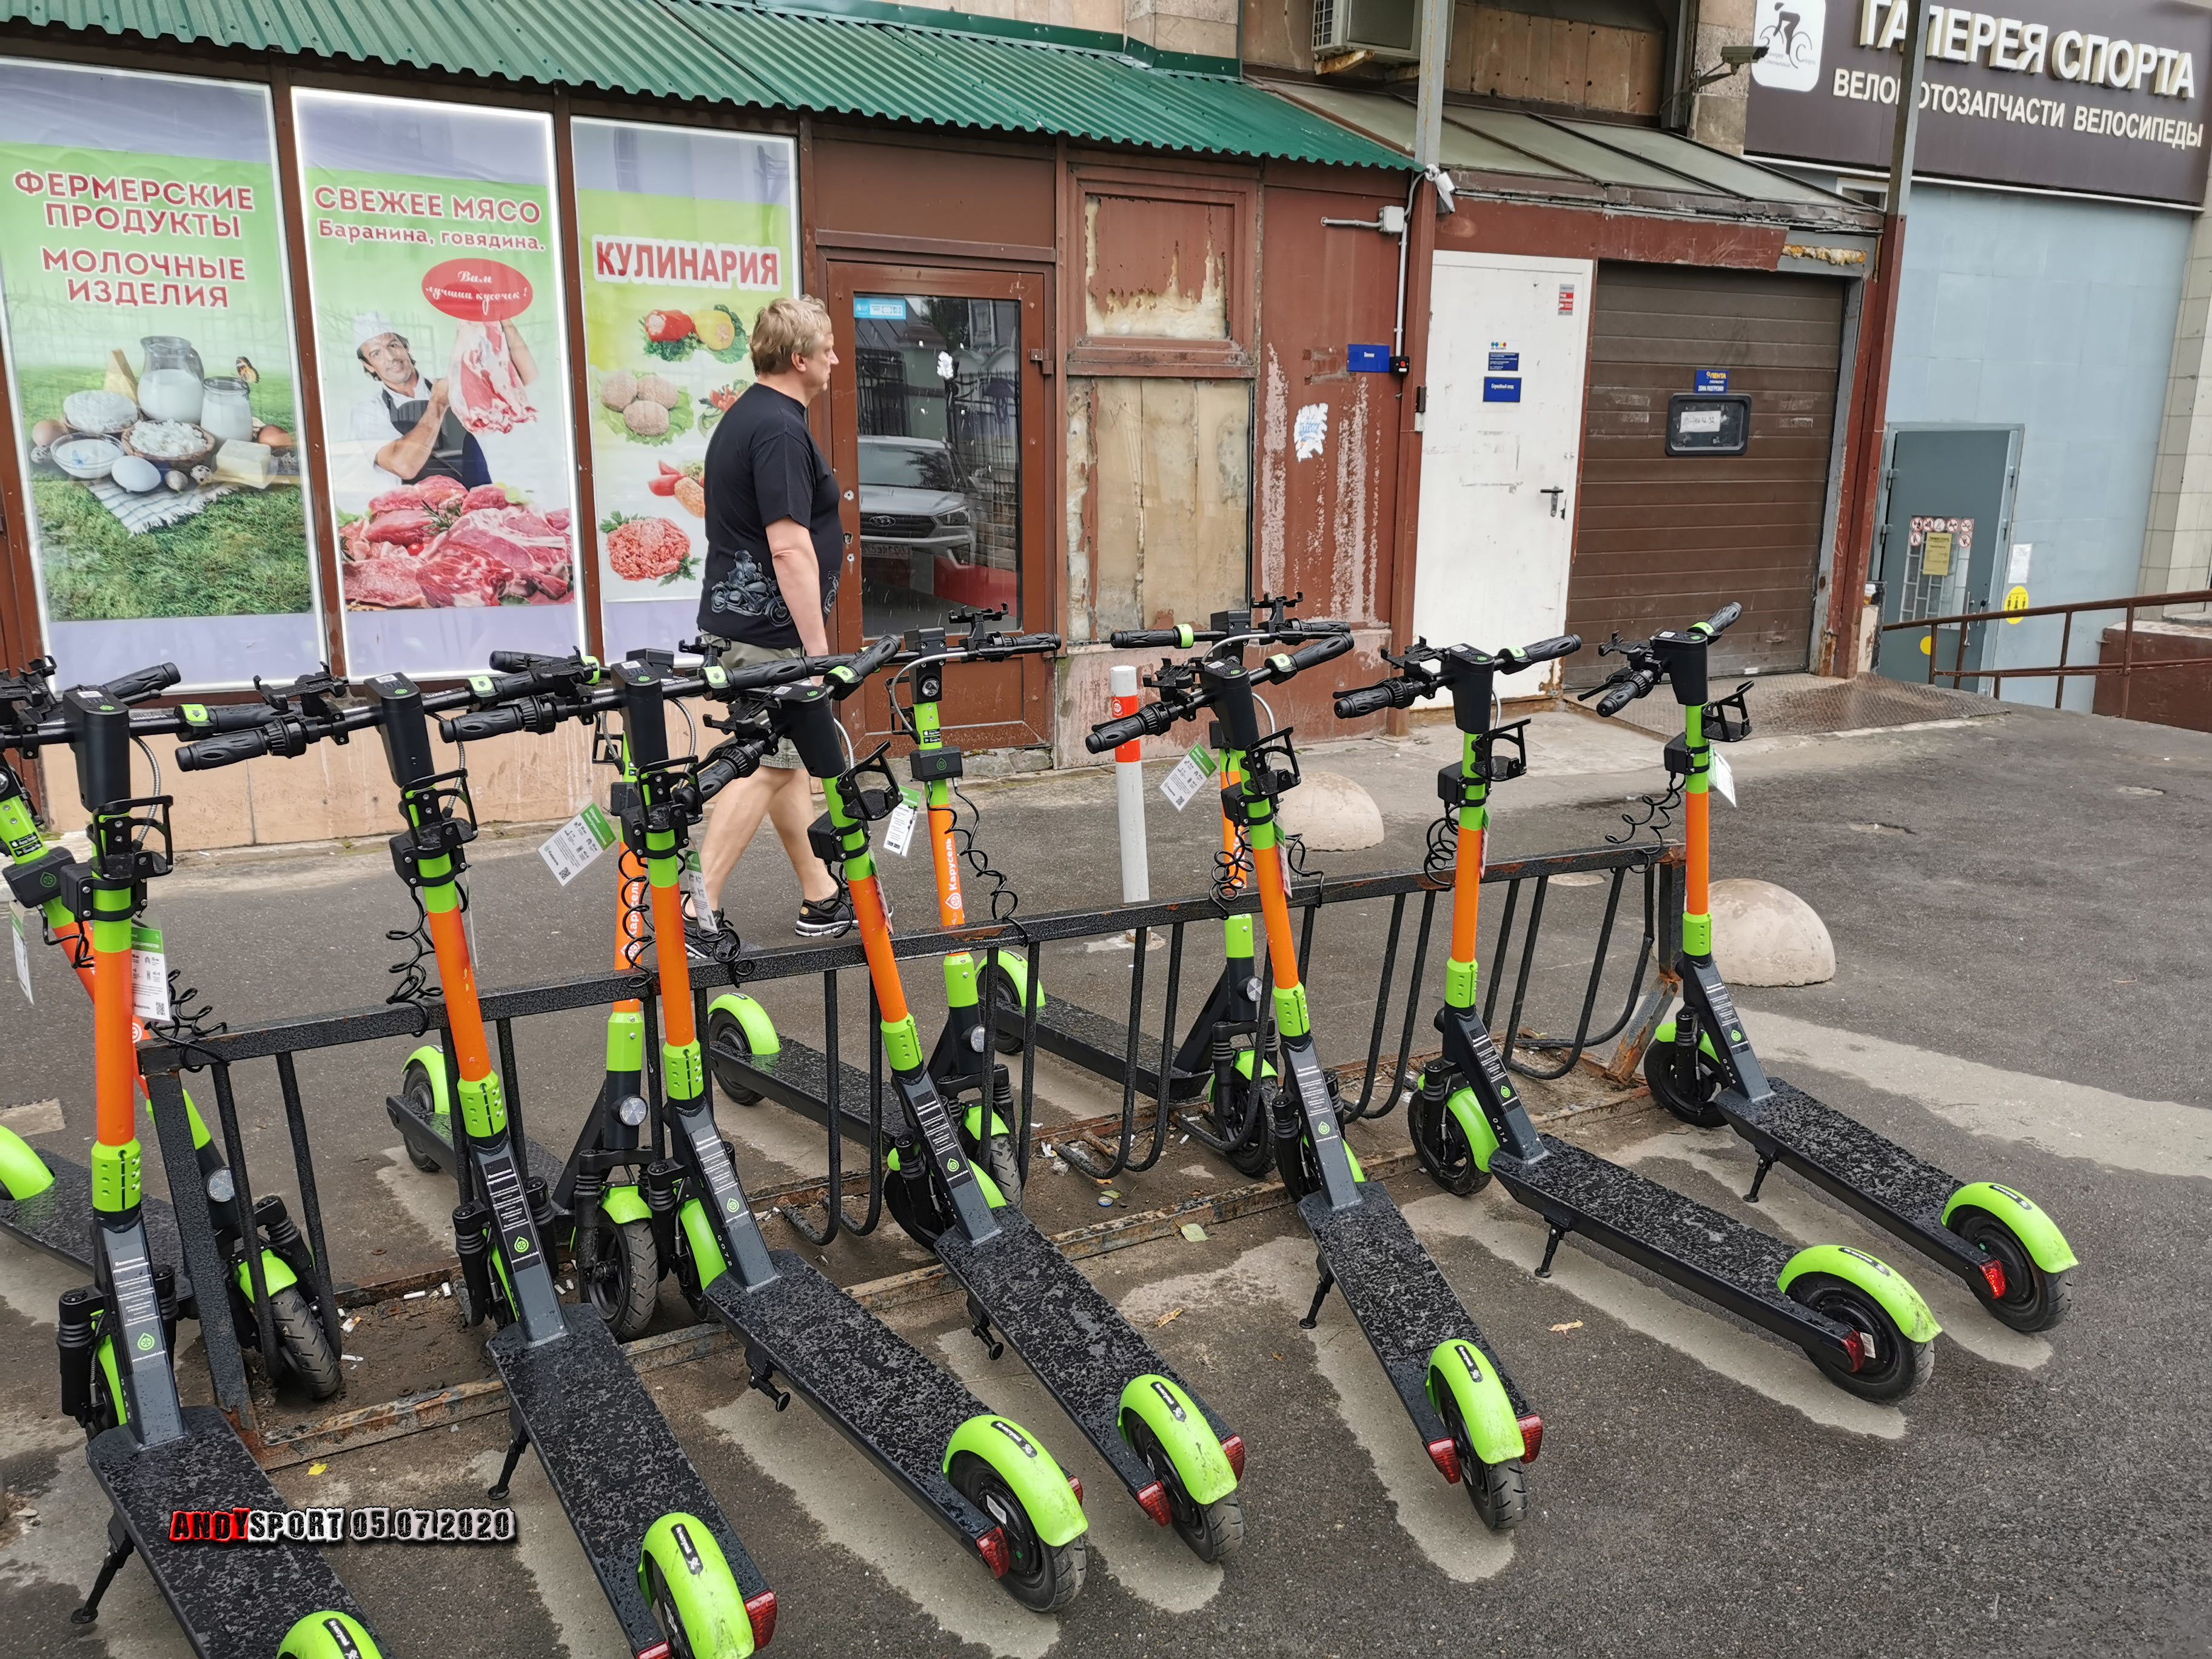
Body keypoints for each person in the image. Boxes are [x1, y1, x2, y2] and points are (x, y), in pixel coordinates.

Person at [694, 295, 853, 937]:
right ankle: (694, 908)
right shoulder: (780, 429)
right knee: (764, 763)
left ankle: (820, 895)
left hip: (746, 626)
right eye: (828, 350)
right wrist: (816, 656)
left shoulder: (749, 417)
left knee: (782, 759)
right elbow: (788, 545)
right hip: (770, 635)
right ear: (799, 358)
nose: (836, 361)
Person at [347, 311, 537, 491]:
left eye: (393, 345)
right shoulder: (370, 412)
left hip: (478, 507)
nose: (391, 358)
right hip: (423, 518)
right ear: (368, 366)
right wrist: (437, 404)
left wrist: (504, 320)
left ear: (406, 347)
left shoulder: (453, 385)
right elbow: (404, 466)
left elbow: (523, 378)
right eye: (376, 354)